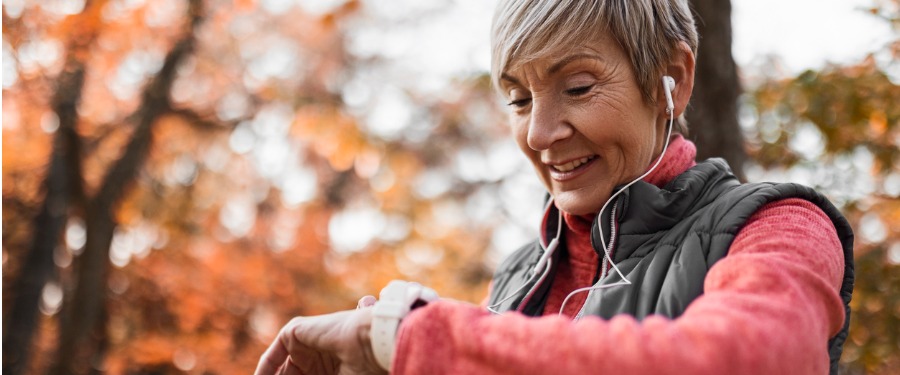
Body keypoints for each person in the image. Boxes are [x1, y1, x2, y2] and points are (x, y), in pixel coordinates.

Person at [255, 0, 854, 374]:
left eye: (578, 87)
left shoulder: (779, 225)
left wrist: (411, 340)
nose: (540, 133)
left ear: (669, 80)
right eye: (519, 99)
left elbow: (752, 359)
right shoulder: (519, 275)